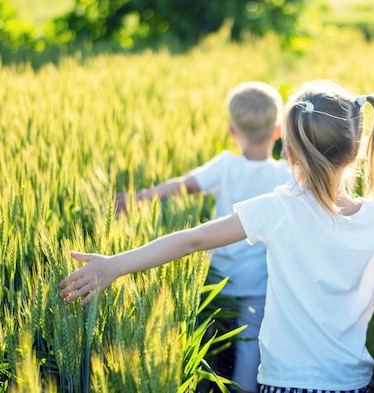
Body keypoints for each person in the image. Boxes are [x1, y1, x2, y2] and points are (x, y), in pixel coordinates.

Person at [60, 79, 374, 393]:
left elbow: (193, 240)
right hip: (349, 382)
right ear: (357, 151)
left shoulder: (275, 210)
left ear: (286, 151)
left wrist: (114, 264)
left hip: (282, 379)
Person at [114, 81, 292, 393]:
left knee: (202, 334)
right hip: (258, 283)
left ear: (232, 132)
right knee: (250, 344)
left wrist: (139, 197)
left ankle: (200, 382)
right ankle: (244, 388)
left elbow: (184, 185)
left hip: (214, 277)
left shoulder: (225, 164)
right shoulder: (283, 175)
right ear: (278, 131)